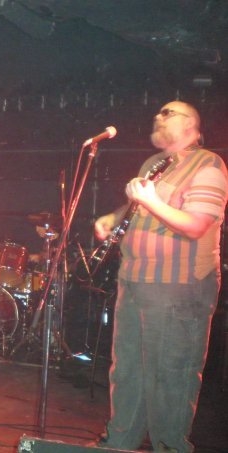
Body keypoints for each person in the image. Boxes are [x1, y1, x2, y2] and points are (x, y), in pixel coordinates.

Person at [93, 101, 228, 452]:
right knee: (127, 371)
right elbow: (140, 208)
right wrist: (113, 217)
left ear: (191, 125)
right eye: (159, 112)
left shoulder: (209, 165)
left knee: (171, 375)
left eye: (169, 113)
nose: (158, 116)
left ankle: (170, 447)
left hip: (177, 287)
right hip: (134, 281)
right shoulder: (154, 164)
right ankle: (119, 443)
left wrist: (151, 201)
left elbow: (196, 224)